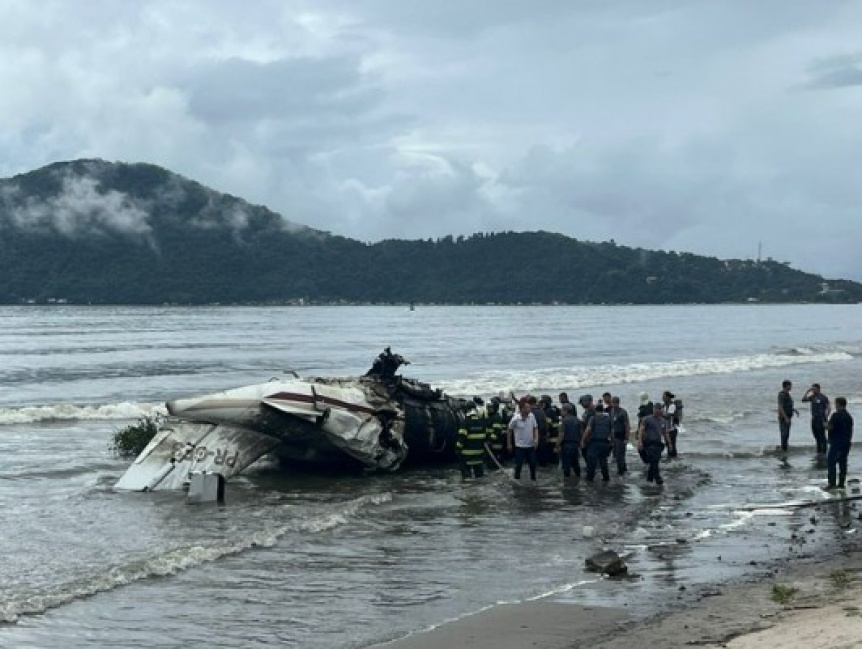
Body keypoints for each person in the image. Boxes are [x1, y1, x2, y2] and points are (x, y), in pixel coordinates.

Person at [638, 402, 672, 485]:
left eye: (658, 409)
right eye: (655, 409)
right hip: (649, 443)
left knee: (655, 461)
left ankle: (650, 480)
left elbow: (665, 433)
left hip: (658, 444)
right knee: (654, 461)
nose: (656, 411)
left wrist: (669, 444)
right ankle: (657, 478)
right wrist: (640, 442)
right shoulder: (646, 419)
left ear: (661, 411)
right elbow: (641, 431)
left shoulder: (663, 421)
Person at [825, 397, 853, 490]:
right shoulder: (849, 416)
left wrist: (825, 424)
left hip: (836, 443)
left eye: (835, 403)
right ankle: (841, 483)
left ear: (838, 404)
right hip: (846, 442)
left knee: (831, 462)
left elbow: (830, 427)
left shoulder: (836, 415)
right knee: (843, 462)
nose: (835, 405)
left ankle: (832, 484)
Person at [507, 398, 539, 481]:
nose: (529, 409)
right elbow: (509, 430)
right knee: (518, 465)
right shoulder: (515, 419)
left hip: (530, 445)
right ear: (522, 409)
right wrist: (509, 444)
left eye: (529, 407)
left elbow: (535, 428)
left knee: (533, 464)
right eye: (527, 407)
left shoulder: (532, 416)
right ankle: (517, 480)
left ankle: (533, 480)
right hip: (519, 446)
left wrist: (536, 439)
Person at [456, 402, 488, 480]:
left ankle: (470, 491)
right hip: (479, 455)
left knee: (467, 479)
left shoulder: (465, 422)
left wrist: (457, 449)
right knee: (480, 478)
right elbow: (485, 437)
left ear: (467, 410)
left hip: (466, 456)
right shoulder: (482, 422)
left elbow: (461, 438)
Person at [582, 402, 612, 482]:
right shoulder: (608, 419)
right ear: (603, 410)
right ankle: (606, 478)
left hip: (595, 442)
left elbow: (588, 430)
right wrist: (611, 442)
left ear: (595, 410)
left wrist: (583, 440)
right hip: (605, 442)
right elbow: (612, 431)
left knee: (591, 461)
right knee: (603, 460)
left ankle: (590, 478)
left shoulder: (593, 418)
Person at [802, 383, 831, 454]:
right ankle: (819, 450)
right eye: (812, 389)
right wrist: (807, 391)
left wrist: (826, 416)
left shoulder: (823, 397)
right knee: (816, 435)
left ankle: (824, 451)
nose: (813, 391)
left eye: (814, 389)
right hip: (814, 418)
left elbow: (828, 407)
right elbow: (803, 400)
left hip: (821, 419)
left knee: (822, 435)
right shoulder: (812, 397)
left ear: (818, 389)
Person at [555, 402, 582, 477]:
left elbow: (561, 435)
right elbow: (581, 433)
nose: (561, 412)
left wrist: (557, 445)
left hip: (566, 445)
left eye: (562, 410)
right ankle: (578, 477)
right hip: (575, 445)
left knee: (566, 464)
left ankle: (567, 482)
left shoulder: (564, 421)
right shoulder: (577, 420)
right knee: (575, 463)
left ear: (566, 411)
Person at [608, 396, 631, 475]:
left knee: (620, 454)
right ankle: (623, 469)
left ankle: (621, 471)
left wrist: (627, 437)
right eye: (612, 403)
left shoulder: (623, 412)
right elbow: (611, 424)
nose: (614, 405)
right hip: (615, 436)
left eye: (615, 403)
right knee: (617, 454)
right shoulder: (611, 411)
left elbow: (627, 425)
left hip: (622, 435)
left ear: (618, 403)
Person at [777, 380, 799, 452]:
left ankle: (784, 448)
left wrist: (794, 410)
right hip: (784, 418)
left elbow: (787, 406)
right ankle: (783, 449)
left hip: (788, 417)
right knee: (784, 434)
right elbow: (780, 407)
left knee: (787, 434)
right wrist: (785, 417)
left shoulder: (787, 394)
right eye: (790, 385)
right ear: (786, 386)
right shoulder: (782, 394)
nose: (791, 387)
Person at [661, 391, 679, 458]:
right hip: (666, 429)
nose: (662, 398)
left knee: (672, 445)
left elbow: (668, 416)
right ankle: (670, 458)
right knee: (668, 445)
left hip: (672, 430)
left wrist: (660, 413)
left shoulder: (672, 406)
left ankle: (674, 458)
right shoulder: (664, 406)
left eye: (664, 396)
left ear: (668, 397)